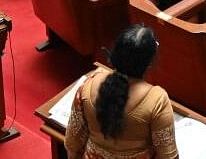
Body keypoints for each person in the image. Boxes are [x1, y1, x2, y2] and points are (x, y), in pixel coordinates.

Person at [65, 24, 176, 159]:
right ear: (149, 63)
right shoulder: (157, 100)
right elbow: (168, 156)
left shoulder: (89, 84)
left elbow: (73, 141)